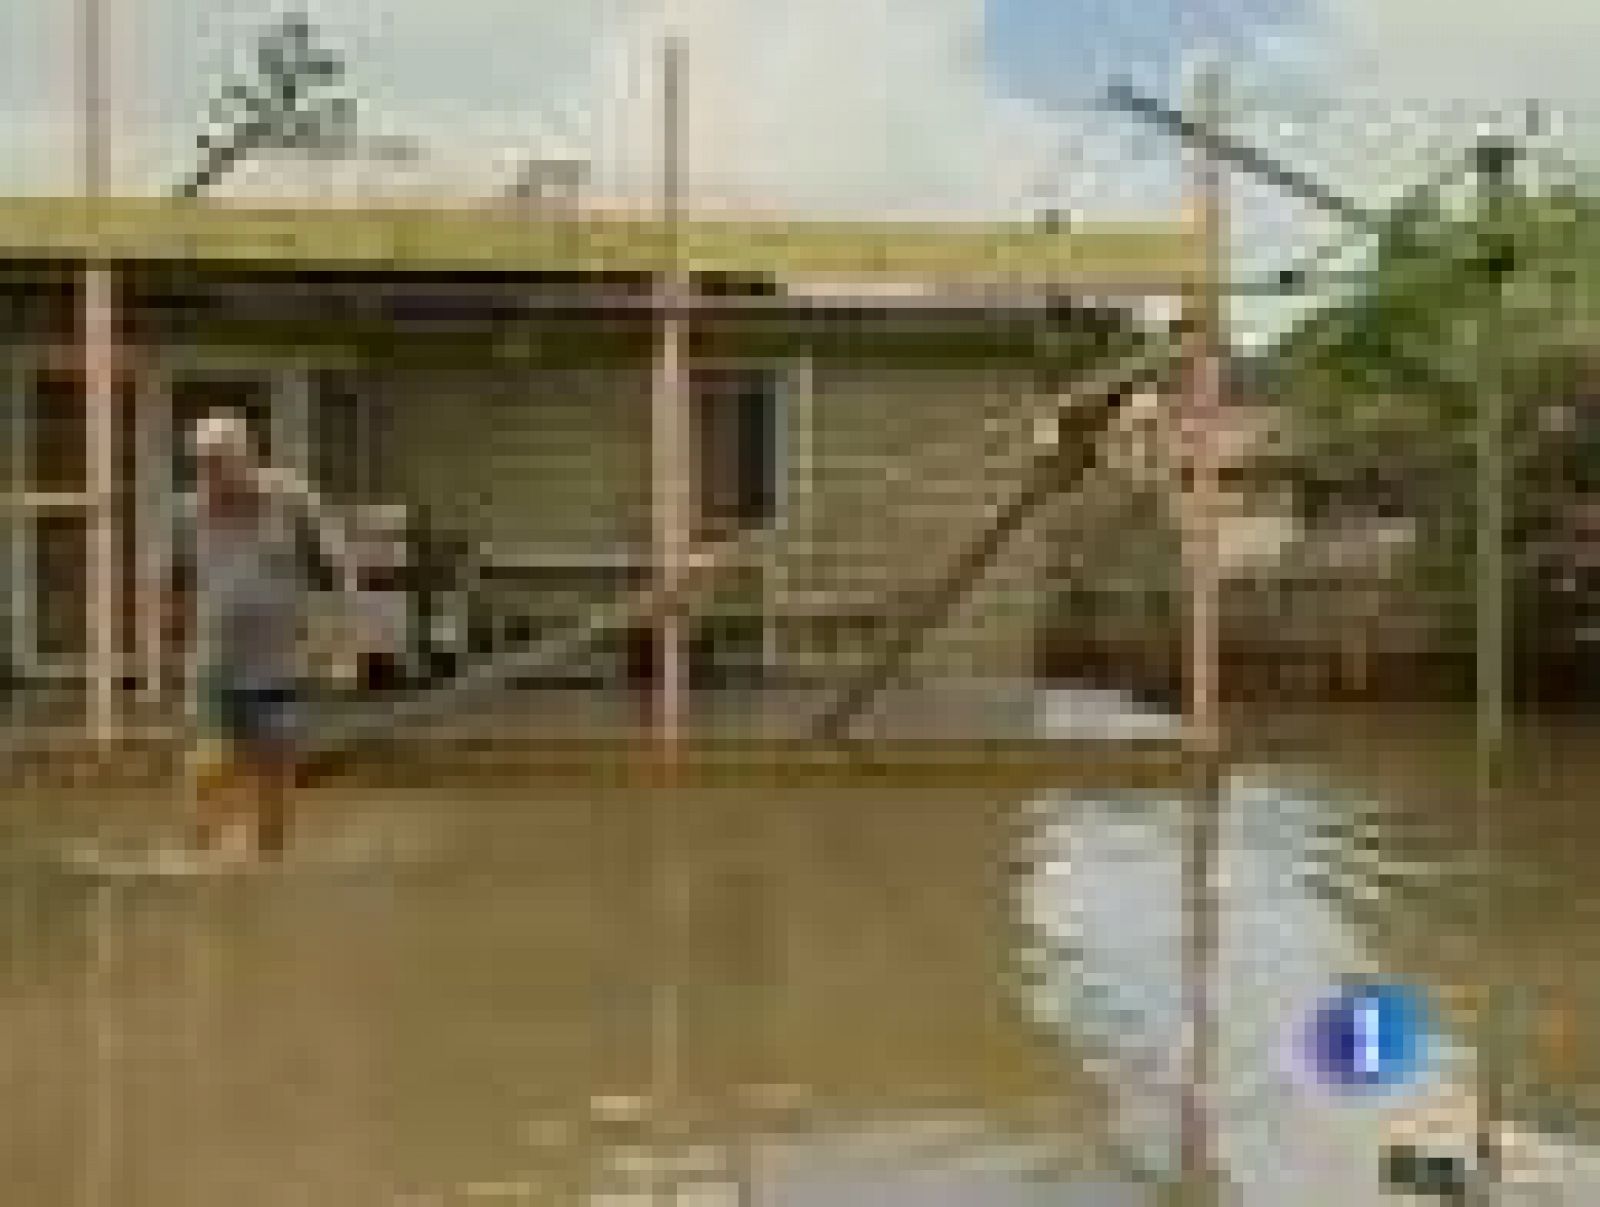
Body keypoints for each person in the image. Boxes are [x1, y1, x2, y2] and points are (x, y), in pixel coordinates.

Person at [164, 409, 362, 863]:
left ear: (245, 457)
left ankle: (268, 867)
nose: (211, 475)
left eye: (219, 462)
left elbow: (339, 573)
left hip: (283, 666)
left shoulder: (292, 500)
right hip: (214, 665)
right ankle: (200, 863)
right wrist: (163, 656)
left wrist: (345, 646)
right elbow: (174, 583)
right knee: (206, 766)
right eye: (203, 464)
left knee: (275, 775)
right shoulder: (189, 513)